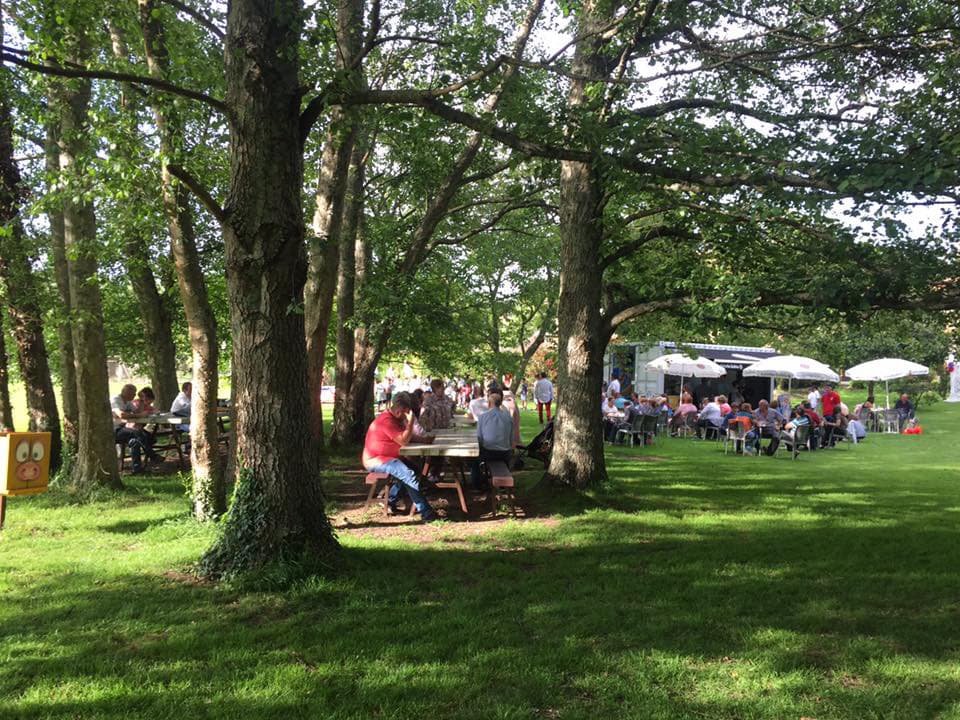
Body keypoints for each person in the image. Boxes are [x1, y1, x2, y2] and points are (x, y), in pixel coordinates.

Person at [362, 391, 436, 521]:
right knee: (408, 474)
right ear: (399, 411)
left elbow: (407, 436)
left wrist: (424, 440)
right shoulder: (386, 421)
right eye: (406, 413)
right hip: (377, 460)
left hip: (389, 458)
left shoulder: (395, 418)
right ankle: (427, 513)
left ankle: (390, 500)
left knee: (415, 471)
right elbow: (403, 440)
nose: (407, 416)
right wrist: (411, 422)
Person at [471, 387, 514, 491]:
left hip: (489, 452)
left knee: (473, 459)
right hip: (505, 453)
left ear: (489, 404)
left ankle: (477, 485)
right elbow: (510, 437)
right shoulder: (508, 417)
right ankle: (501, 484)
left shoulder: (483, 417)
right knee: (506, 454)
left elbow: (479, 438)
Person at [112, 384, 160, 474]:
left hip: (123, 428)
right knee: (137, 433)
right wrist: (138, 415)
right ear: (127, 393)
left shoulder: (128, 402)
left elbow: (138, 412)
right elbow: (121, 415)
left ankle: (137, 469)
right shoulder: (116, 400)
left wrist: (142, 402)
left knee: (134, 441)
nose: (135, 396)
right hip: (114, 430)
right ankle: (153, 456)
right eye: (133, 394)